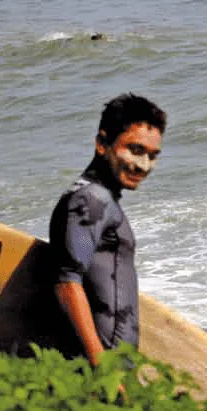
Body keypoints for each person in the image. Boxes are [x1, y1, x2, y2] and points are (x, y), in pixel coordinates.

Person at [49, 93, 166, 366]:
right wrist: (101, 365)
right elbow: (67, 283)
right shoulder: (90, 199)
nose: (144, 165)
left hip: (113, 366)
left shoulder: (101, 200)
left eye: (153, 155)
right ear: (102, 144)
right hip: (97, 370)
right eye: (135, 150)